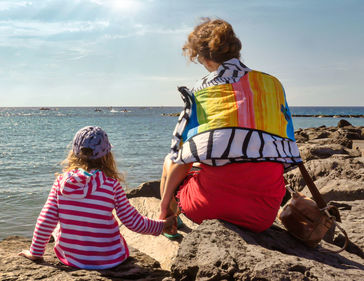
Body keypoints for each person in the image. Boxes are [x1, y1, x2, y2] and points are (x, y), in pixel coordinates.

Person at [159, 18, 302, 235]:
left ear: (205, 59)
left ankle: (168, 223)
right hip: (262, 216)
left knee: (172, 158)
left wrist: (163, 204)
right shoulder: (273, 84)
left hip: (208, 208)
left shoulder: (202, 89)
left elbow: (181, 157)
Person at [19, 126, 176, 269]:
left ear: (74, 153)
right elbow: (133, 221)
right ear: (107, 156)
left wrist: (36, 252)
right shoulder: (112, 185)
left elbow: (46, 219)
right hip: (110, 259)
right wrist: (161, 225)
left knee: (57, 228)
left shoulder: (61, 183)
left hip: (72, 259)